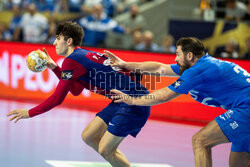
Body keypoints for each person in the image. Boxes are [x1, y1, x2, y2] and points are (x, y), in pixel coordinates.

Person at [7, 22, 150, 167]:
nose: (54, 42)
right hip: (121, 100)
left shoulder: (72, 60)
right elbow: (76, 90)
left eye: (58, 38)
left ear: (69, 41)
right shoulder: (79, 56)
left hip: (134, 100)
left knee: (105, 149)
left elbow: (57, 98)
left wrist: (29, 113)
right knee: (89, 136)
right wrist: (55, 67)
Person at [104, 37, 250, 167]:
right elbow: (159, 68)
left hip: (246, 109)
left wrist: (132, 100)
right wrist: (125, 64)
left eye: (178, 54)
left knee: (201, 141)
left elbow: (164, 95)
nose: (175, 59)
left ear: (190, 55)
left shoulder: (198, 70)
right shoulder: (200, 65)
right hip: (245, 110)